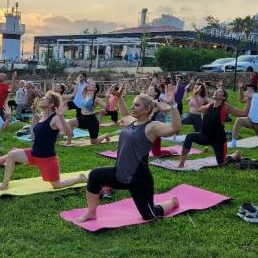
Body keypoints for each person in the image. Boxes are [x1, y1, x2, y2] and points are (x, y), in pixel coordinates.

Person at [76, 84, 182, 223]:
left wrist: (173, 105)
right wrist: (119, 99)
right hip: (120, 173)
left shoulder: (152, 126)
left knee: (150, 215)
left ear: (147, 109)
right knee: (95, 175)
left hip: (139, 179)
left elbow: (175, 127)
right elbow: (125, 114)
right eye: (133, 104)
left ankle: (172, 202)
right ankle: (91, 212)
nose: (133, 107)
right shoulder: (133, 122)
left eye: (137, 105)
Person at [0, 91, 88, 190]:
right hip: (34, 154)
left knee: (57, 185)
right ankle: (5, 184)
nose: (42, 99)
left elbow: (69, 133)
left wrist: (61, 118)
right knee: (11, 155)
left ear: (51, 104)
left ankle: (79, 178)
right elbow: (33, 133)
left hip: (47, 158)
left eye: (45, 98)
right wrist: (34, 114)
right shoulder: (41, 117)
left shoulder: (55, 118)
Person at [178, 88, 251, 167]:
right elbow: (199, 109)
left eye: (219, 92)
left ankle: (235, 155)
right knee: (189, 136)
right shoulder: (210, 105)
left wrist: (249, 99)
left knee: (222, 165)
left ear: (224, 98)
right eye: (216, 91)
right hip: (204, 136)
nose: (216, 92)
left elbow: (244, 113)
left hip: (218, 140)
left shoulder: (225, 107)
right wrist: (195, 96)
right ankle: (181, 164)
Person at [66, 79, 110, 145]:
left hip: (92, 121)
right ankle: (68, 142)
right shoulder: (85, 94)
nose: (89, 85)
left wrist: (107, 98)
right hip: (83, 118)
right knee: (70, 122)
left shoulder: (96, 99)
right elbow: (83, 87)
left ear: (95, 89)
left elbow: (107, 108)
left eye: (92, 85)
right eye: (90, 84)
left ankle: (105, 135)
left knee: (93, 142)